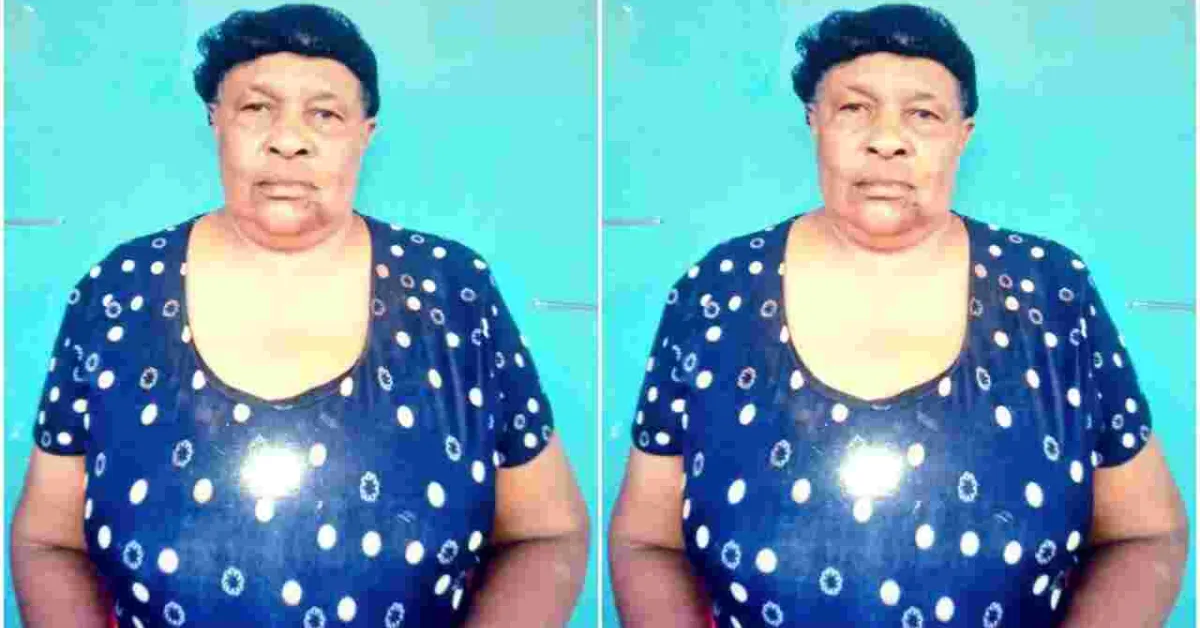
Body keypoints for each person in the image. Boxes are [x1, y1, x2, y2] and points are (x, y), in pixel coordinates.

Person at [608, 4, 1188, 627]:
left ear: (963, 136)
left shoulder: (1052, 293)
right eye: (854, 108)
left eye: (923, 114)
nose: (887, 139)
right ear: (814, 123)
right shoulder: (715, 293)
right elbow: (648, 542)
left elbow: (1145, 534)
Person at [10, 5, 589, 627]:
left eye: (325, 114)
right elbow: (49, 542)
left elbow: (546, 533)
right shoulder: (117, 294)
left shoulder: (454, 292)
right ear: (215, 121)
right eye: (257, 108)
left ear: (365, 134)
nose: (288, 140)